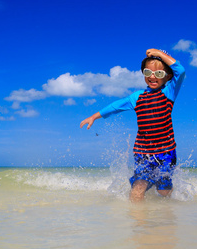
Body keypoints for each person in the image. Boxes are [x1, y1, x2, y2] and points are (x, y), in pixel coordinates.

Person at [80, 49, 186, 202]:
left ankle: (166, 215)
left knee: (163, 191)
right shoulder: (136, 97)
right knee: (137, 188)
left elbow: (180, 71)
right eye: (148, 72)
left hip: (166, 151)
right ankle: (138, 223)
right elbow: (116, 106)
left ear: (167, 77)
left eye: (159, 73)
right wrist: (94, 116)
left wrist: (160, 54)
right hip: (142, 152)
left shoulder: (169, 92)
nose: (152, 76)